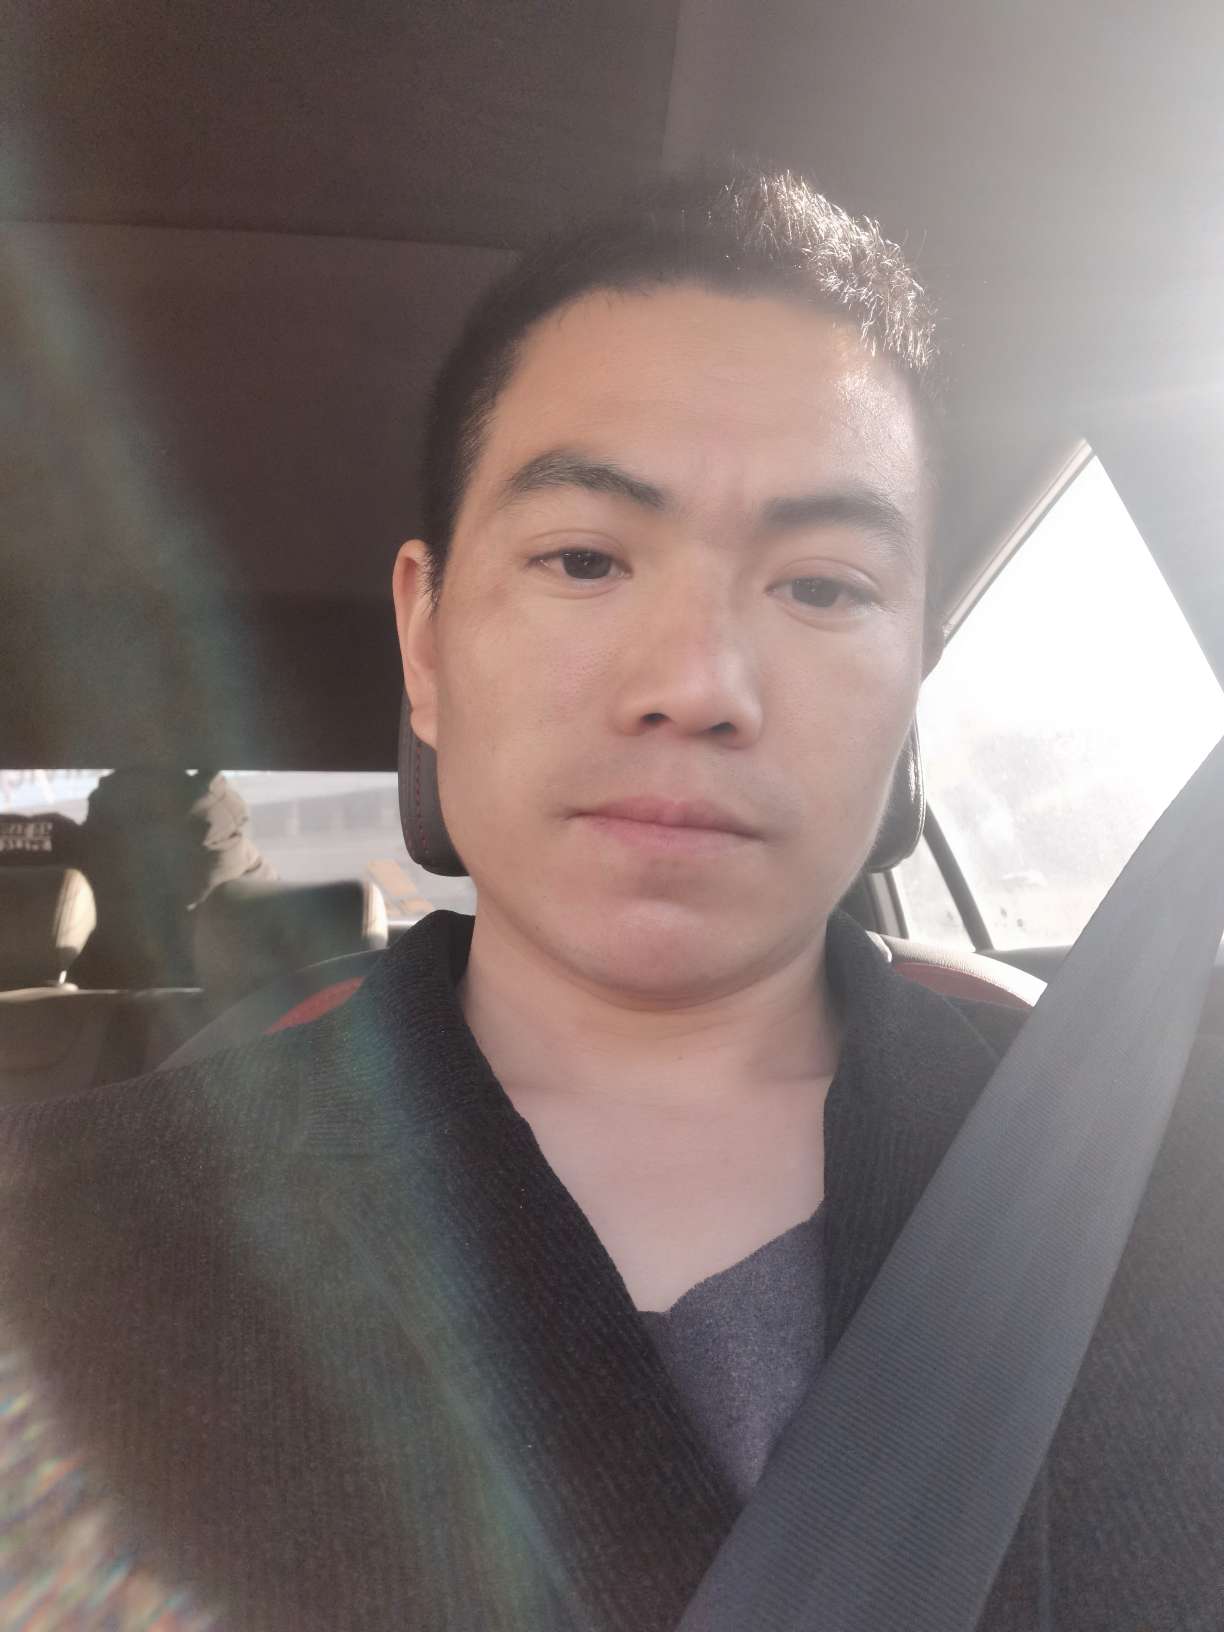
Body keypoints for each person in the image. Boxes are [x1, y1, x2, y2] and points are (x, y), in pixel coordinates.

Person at [0, 171, 1221, 1630]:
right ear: (425, 641)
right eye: (583, 558)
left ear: (914, 680)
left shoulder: (1164, 1196)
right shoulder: (63, 1247)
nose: (696, 685)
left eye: (824, 587)